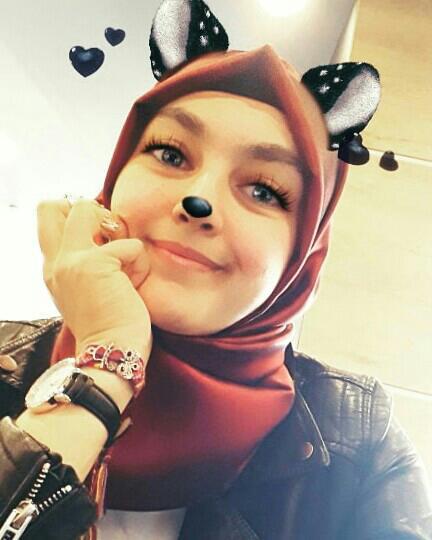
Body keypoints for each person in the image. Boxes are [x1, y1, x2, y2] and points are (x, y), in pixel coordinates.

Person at [1, 1, 431, 539]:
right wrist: (106, 364)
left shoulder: (357, 446)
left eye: (264, 190)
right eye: (170, 154)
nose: (197, 201)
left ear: (302, 253)